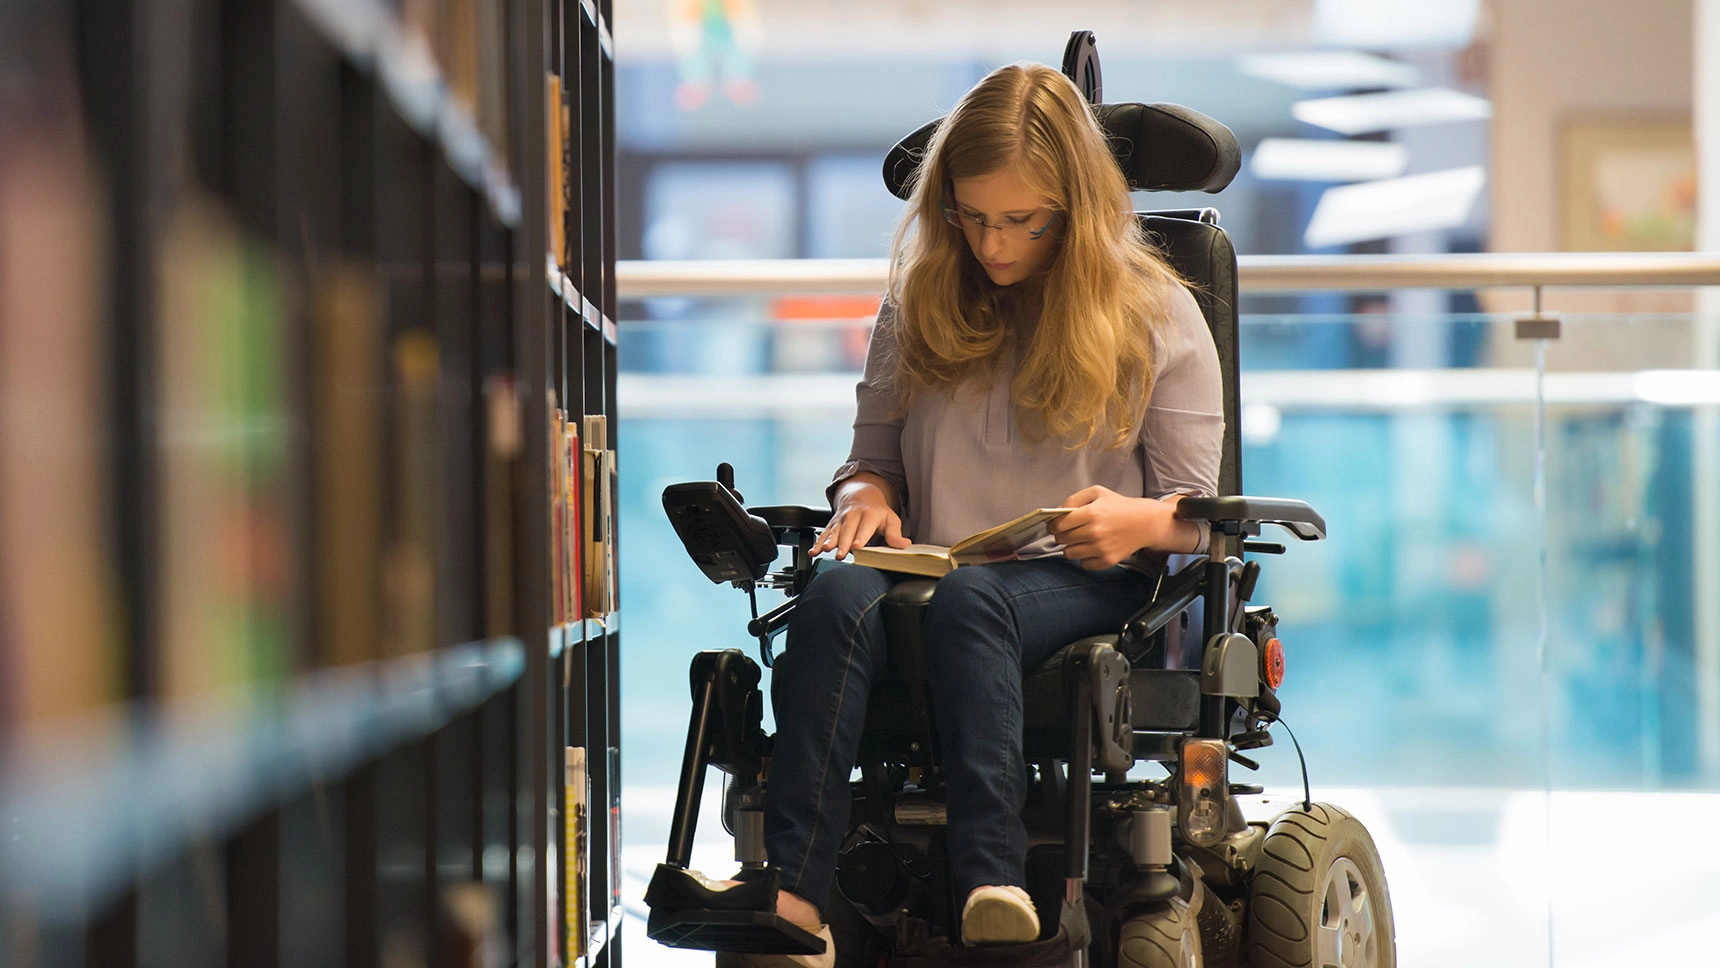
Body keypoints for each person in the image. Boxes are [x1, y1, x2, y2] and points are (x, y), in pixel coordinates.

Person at [722, 61, 1223, 968]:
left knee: (973, 605)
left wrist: (1138, 522)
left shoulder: (1158, 313)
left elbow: (1199, 516)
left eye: (1021, 221)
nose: (993, 244)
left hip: (1085, 576)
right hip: (938, 565)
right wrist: (865, 499)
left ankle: (990, 885)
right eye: (972, 216)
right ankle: (795, 898)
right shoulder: (917, 303)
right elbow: (867, 462)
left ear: (1074, 209)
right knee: (832, 597)